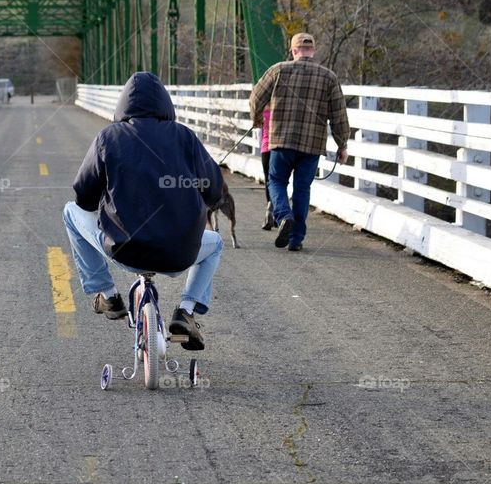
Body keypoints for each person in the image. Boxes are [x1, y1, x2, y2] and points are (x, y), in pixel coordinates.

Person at [63, 72, 224, 350]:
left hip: (125, 250)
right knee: (216, 243)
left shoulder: (109, 137)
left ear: (122, 104)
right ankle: (186, 311)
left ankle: (109, 294)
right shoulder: (185, 137)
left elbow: (83, 197)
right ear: (166, 103)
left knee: (69, 212)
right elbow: (214, 192)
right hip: (180, 253)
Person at [249, 33, 350, 252]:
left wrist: (257, 119)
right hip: (312, 144)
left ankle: (284, 215)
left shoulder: (278, 70)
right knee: (302, 188)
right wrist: (342, 145)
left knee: (276, 181)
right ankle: (296, 239)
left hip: (281, 140)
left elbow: (256, 97)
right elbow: (338, 115)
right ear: (313, 51)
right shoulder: (328, 77)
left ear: (294, 51)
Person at [260, 108, 276, 231]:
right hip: (278, 148)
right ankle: (276, 214)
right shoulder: (280, 107)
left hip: (265, 149)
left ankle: (269, 209)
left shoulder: (263, 110)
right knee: (279, 181)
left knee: (268, 181)